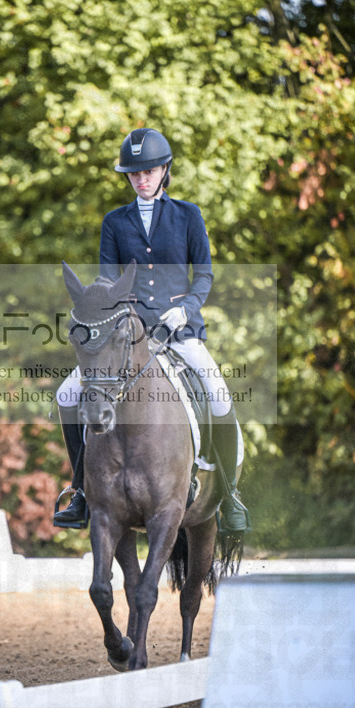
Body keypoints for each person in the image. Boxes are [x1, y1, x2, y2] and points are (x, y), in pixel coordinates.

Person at [53, 127, 248, 534]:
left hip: (181, 331)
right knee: (68, 393)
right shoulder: (114, 222)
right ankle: (82, 491)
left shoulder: (188, 215)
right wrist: (124, 320)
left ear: (164, 171)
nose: (141, 180)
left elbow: (205, 274)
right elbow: (108, 284)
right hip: (128, 337)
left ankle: (229, 495)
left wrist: (188, 309)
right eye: (134, 174)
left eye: (149, 171)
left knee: (218, 394)